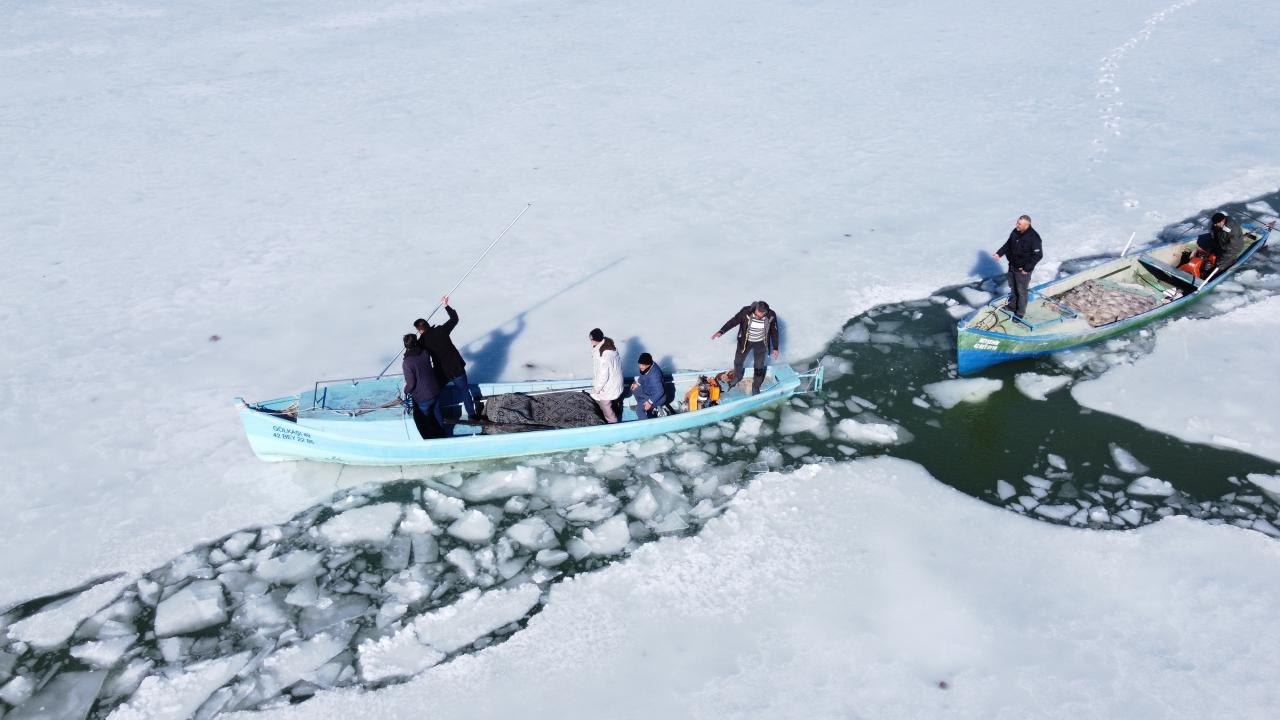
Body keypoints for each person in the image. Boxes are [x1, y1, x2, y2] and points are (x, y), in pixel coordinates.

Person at [415, 296, 476, 430]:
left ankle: (440, 422)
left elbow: (415, 350)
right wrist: (446, 305)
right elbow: (454, 319)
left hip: (441, 372)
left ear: (420, 330)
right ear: (428, 324)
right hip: (456, 368)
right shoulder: (441, 330)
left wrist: (413, 339)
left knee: (435, 397)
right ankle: (472, 417)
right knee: (465, 391)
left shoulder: (422, 342)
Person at [711, 301, 779, 395]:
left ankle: (756, 386)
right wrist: (721, 331)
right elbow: (733, 321)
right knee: (738, 361)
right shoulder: (745, 312)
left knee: (759, 367)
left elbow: (774, 331)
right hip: (745, 342)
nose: (759, 316)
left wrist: (775, 347)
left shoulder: (771, 315)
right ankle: (737, 377)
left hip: (761, 343)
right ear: (756, 309)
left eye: (762, 314)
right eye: (758, 313)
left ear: (766, 312)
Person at [993, 215, 1043, 319]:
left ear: (1027, 225)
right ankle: (1012, 307)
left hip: (1022, 270)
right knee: (1013, 288)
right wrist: (999, 254)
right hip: (1012, 267)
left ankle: (1020, 313)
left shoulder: (1034, 237)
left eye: (1019, 224)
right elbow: (1008, 245)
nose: (1016, 225)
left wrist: (1027, 268)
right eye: (1017, 222)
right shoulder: (1015, 232)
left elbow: (1038, 255)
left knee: (1021, 291)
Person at [401, 334, 443, 439]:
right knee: (438, 414)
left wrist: (406, 390)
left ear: (406, 346)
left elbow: (411, 383)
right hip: (434, 390)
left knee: (427, 418)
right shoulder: (425, 353)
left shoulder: (407, 362)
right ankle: (442, 433)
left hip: (423, 397)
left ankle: (432, 437)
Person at [588, 328, 622, 423]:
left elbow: (603, 376)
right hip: (615, 381)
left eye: (592, 339)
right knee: (611, 403)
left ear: (596, 339)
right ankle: (615, 414)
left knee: (605, 405)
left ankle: (613, 424)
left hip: (609, 385)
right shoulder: (609, 346)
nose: (590, 341)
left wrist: (597, 388)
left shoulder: (603, 355)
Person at [630, 353, 667, 420]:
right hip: (648, 391)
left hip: (657, 398)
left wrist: (649, 402)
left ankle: (647, 426)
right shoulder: (648, 367)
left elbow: (660, 391)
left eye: (643, 365)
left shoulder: (654, 376)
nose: (641, 366)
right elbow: (643, 375)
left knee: (639, 410)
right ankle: (644, 405)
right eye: (640, 364)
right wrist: (637, 383)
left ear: (649, 364)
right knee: (633, 388)